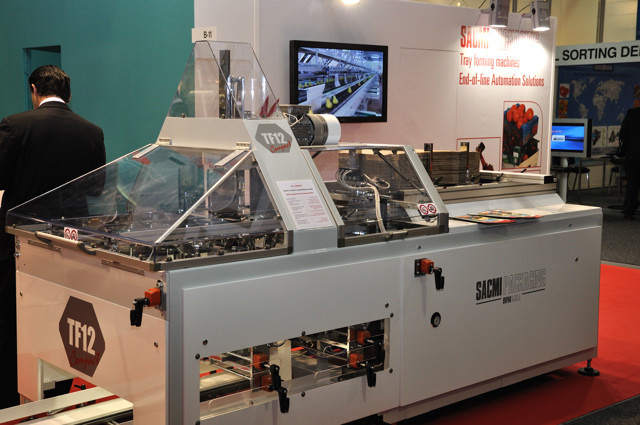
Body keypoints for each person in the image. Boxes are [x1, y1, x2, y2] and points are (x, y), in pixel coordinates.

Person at [0, 65, 106, 408]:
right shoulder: (92, 132)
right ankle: (58, 390)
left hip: (19, 240)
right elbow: (97, 188)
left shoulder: (15, 125)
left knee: (13, 316)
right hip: (70, 241)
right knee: (64, 314)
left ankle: (12, 394)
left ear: (34, 90)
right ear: (68, 94)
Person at [619, 106, 640, 219]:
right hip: (633, 156)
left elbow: (623, 134)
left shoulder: (632, 113)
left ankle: (629, 210)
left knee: (632, 185)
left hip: (632, 156)